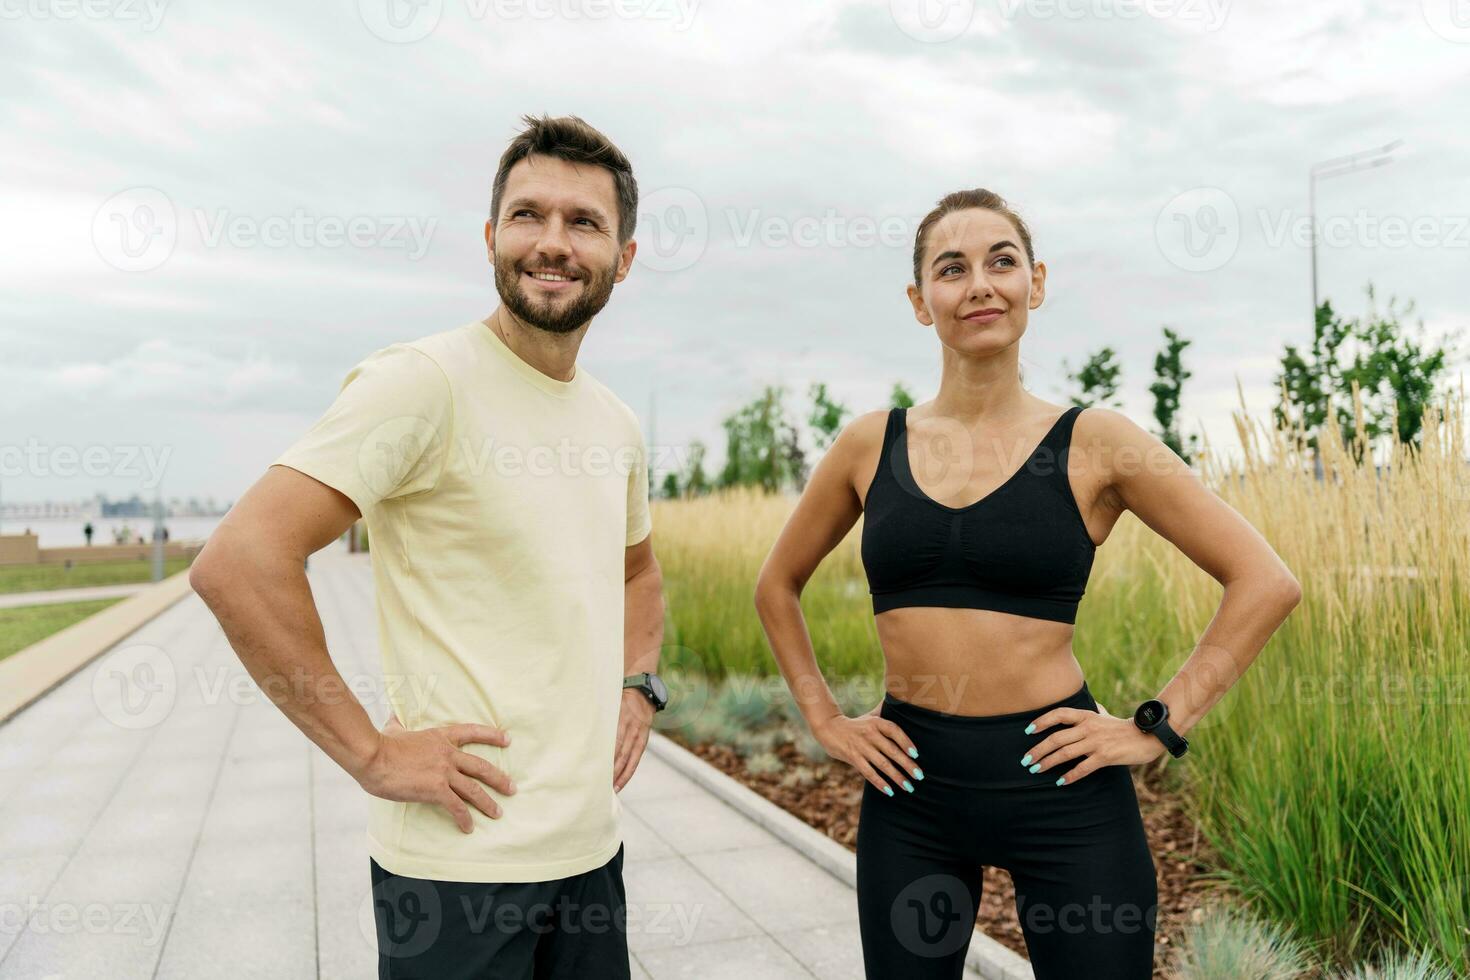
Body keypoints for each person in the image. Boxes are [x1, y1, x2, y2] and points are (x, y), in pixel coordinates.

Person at [752, 189, 1302, 979]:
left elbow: (1265, 581)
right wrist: (825, 720)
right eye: (952, 268)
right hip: (912, 791)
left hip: (1063, 790)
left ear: (1035, 284)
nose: (979, 283)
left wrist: (1154, 727)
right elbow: (777, 585)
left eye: (1001, 262)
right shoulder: (870, 444)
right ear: (920, 301)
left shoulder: (1098, 442)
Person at [189, 114, 666, 980]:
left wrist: (639, 684)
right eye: (528, 216)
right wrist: (370, 753)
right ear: (491, 237)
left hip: (592, 855)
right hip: (459, 871)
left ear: (624, 257)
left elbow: (638, 568)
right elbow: (240, 561)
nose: (551, 242)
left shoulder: (616, 423)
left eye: (584, 222)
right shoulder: (423, 382)